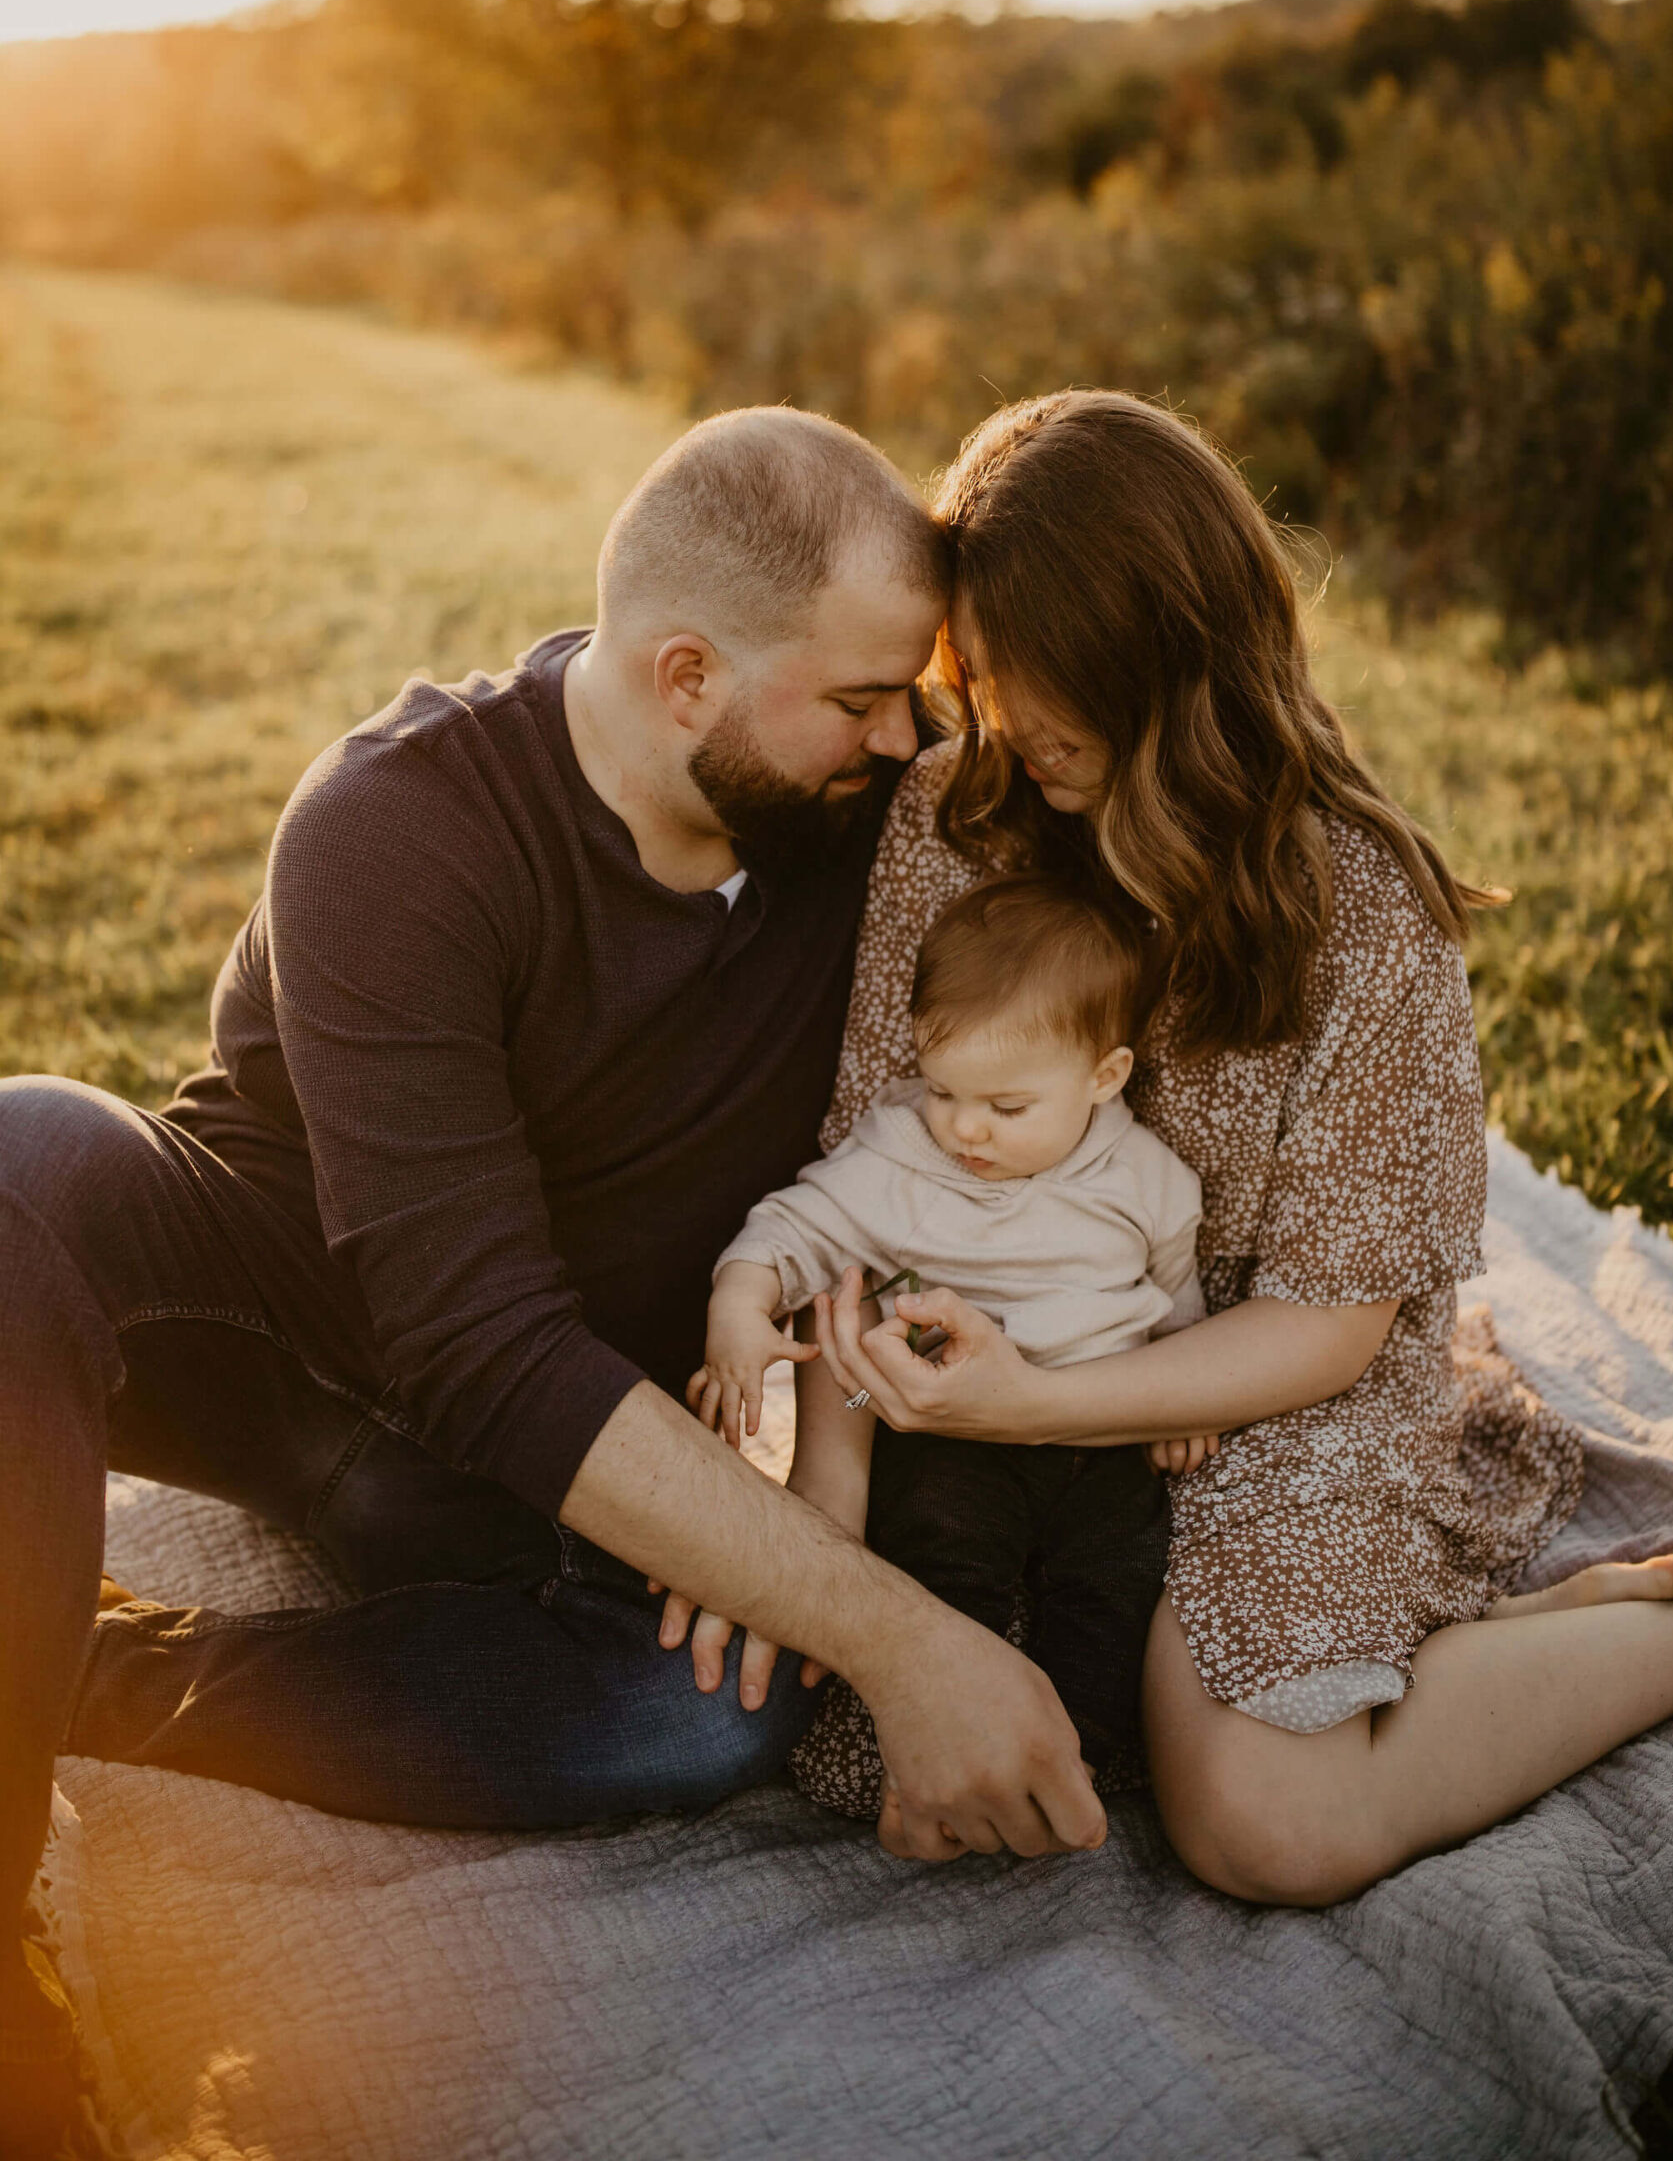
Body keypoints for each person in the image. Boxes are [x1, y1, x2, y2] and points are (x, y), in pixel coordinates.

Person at [0, 407, 1107, 2157]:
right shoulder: (397, 824)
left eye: (917, 697)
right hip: (273, 1329)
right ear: (685, 677)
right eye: (861, 700)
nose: (908, 740)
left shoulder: (882, 827)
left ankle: (98, 1677)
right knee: (24, 1158)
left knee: (699, 1714)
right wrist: (898, 1636)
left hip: (548, 1441)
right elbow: (470, 1338)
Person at [785, 387, 1673, 1890]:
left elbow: (1327, 1326)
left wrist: (1034, 1407)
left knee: (1261, 1823)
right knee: (881, 1731)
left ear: (1158, 663)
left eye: (1028, 679)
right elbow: (867, 1162)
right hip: (1018, 1335)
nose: (996, 714)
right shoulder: (960, 815)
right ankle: (1433, 1653)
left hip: (1267, 1384)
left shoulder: (1356, 918)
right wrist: (826, 1488)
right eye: (980, 669)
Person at [671, 873, 1207, 1784]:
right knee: (937, 1560)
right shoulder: (900, 1156)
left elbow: (1175, 1292)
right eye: (943, 1087)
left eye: (1006, 1108)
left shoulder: (1149, 1181)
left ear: (1103, 1077)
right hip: (952, 1431)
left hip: (1100, 1431)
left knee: (1114, 1584)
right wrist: (738, 1304)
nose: (966, 1128)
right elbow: (795, 1226)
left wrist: (1181, 1390)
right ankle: (958, 1728)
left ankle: (1079, 1751)